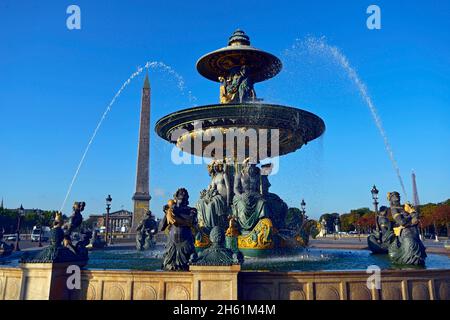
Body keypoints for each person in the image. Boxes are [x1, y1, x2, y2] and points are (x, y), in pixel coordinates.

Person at [160, 188, 198, 271]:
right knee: (169, 268)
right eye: (180, 193)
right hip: (172, 244)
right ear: (176, 197)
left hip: (185, 243)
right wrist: (166, 214)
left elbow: (190, 222)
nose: (183, 194)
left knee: (187, 267)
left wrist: (176, 213)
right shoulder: (170, 212)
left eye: (185, 194)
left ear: (187, 198)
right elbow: (162, 227)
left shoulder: (191, 210)